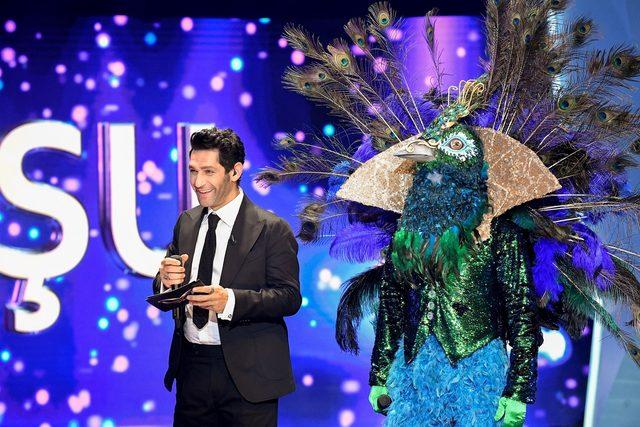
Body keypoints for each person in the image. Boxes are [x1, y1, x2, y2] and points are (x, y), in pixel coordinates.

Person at [151, 127, 301, 427]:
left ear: (235, 171)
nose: (198, 182)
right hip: (191, 369)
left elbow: (288, 297)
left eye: (209, 171)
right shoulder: (186, 222)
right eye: (193, 171)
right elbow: (166, 283)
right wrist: (165, 280)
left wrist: (229, 301)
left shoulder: (271, 229)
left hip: (249, 376)